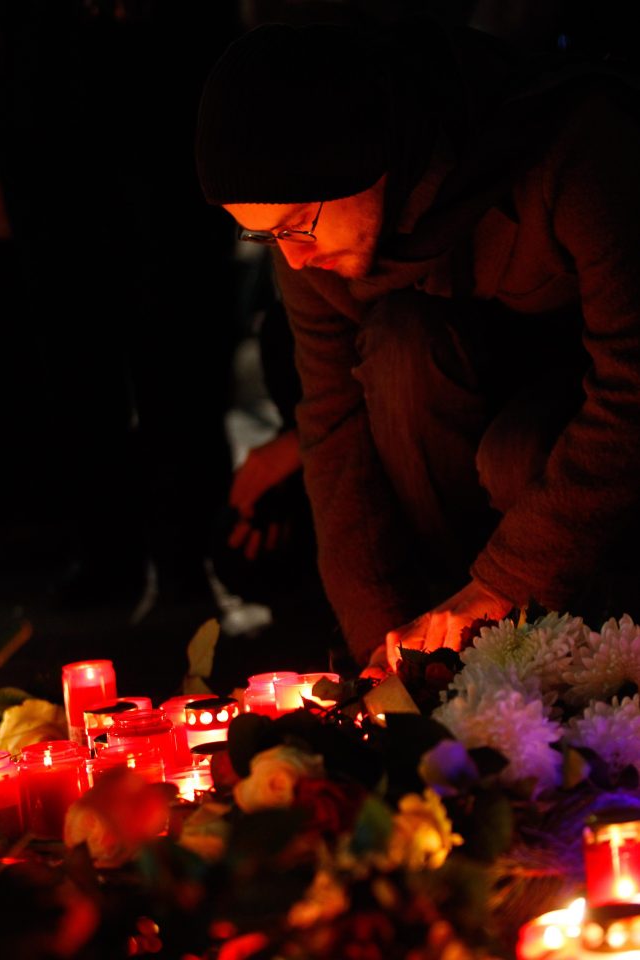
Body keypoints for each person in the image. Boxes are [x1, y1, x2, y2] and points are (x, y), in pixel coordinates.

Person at [195, 16, 640, 674]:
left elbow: (632, 387)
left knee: (515, 456)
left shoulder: (571, 151)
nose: (294, 256)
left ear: (371, 157)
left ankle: (591, 653)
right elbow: (333, 427)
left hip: (577, 431)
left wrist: (504, 580)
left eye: (298, 225)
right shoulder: (309, 253)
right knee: (400, 352)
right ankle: (454, 647)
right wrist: (381, 648)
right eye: (264, 238)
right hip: (458, 433)